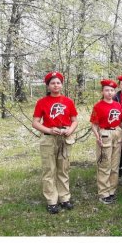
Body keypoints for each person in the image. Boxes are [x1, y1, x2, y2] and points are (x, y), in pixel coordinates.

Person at [32, 71, 78, 214]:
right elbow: (35, 122)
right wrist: (49, 130)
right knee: (49, 170)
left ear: (61, 85)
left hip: (64, 138)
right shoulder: (42, 102)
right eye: (52, 83)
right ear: (48, 86)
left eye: (58, 82)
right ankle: (51, 200)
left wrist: (70, 130)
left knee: (63, 169)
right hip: (49, 138)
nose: (56, 85)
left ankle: (64, 198)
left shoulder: (68, 101)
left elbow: (74, 120)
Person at [90, 79, 122, 205]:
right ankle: (103, 192)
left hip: (117, 133)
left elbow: (120, 121)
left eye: (112, 90)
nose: (109, 93)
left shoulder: (118, 105)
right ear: (102, 91)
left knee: (115, 164)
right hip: (105, 133)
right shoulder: (98, 106)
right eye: (107, 90)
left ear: (114, 92)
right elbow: (94, 124)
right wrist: (97, 135)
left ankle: (112, 190)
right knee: (104, 164)